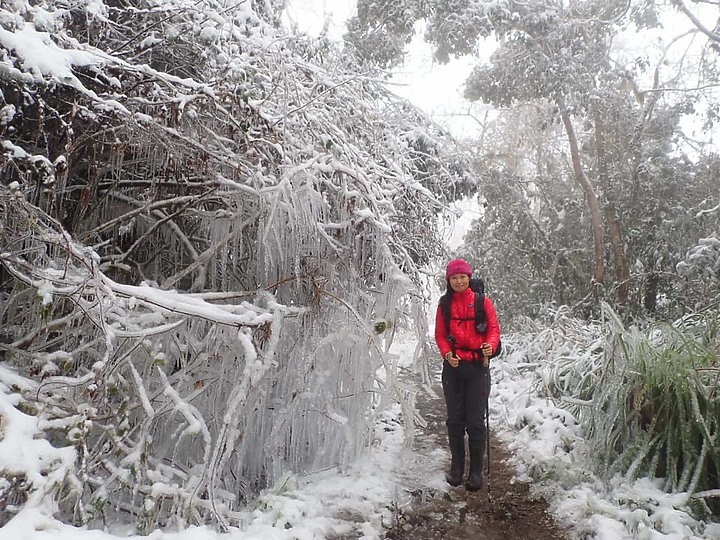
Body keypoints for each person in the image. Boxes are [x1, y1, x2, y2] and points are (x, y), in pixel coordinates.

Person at [434, 258, 501, 491]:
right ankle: (457, 468)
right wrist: (446, 354)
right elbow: (440, 335)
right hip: (453, 368)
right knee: (454, 419)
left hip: (477, 367)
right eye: (454, 278)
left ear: (469, 278)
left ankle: (475, 472)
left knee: (475, 420)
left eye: (463, 277)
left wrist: (490, 347)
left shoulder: (483, 302)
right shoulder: (444, 305)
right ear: (449, 280)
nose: (459, 281)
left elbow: (493, 330)